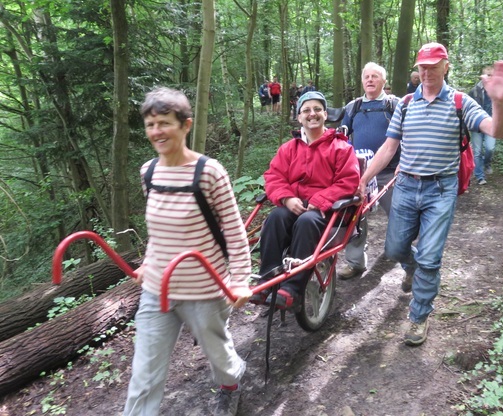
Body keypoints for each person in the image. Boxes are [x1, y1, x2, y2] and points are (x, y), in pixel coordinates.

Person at [359, 43, 503, 347]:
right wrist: (364, 178)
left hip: (441, 190)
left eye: (433, 65)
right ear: (417, 68)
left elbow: (496, 131)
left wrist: (498, 101)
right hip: (405, 186)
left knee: (430, 257)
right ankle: (413, 270)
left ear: (446, 66)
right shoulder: (404, 103)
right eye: (422, 66)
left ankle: (418, 316)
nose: (427, 72)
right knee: (394, 249)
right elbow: (389, 147)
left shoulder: (460, 102)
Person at [124, 87, 253, 416]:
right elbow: (158, 230)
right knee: (144, 375)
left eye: (164, 123)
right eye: (151, 124)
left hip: (204, 290)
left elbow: (235, 232)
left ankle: (232, 383)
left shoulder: (209, 172)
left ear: (186, 125)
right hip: (157, 290)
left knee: (219, 357)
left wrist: (239, 280)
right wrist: (148, 264)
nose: (156, 131)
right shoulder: (148, 172)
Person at [252, 91, 360, 308]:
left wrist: (321, 199)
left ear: (325, 114)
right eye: (307, 110)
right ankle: (267, 279)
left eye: (317, 109)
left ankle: (293, 289)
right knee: (276, 217)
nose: (313, 114)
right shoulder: (289, 149)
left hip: (326, 212)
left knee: (306, 221)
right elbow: (274, 177)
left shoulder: (341, 147)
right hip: (295, 205)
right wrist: (286, 198)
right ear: (299, 117)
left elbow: (348, 181)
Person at [337, 62, 402, 281]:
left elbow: (409, 135)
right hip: (358, 173)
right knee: (354, 217)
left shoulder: (395, 105)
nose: (370, 80)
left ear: (384, 81)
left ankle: (397, 252)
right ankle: (355, 263)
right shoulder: (353, 107)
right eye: (367, 76)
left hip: (390, 172)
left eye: (375, 76)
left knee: (399, 216)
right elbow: (341, 138)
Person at [469, 65, 496, 185]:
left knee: (490, 148)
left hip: (492, 124)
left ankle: (487, 163)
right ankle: (480, 176)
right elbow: (468, 109)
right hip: (477, 125)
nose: (490, 77)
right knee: (477, 151)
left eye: (492, 75)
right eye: (487, 75)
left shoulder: (496, 90)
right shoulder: (474, 91)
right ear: (482, 76)